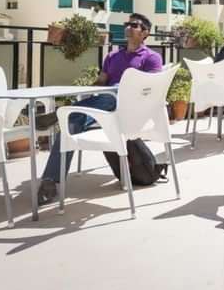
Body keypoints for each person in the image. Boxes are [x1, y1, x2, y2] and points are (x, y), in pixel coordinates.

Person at [36, 13, 163, 204]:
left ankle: (61, 113)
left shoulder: (152, 58)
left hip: (131, 110)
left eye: (134, 25)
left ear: (145, 32)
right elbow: (100, 82)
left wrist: (122, 89)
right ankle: (50, 181)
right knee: (70, 125)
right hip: (105, 109)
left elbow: (152, 89)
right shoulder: (112, 56)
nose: (128, 27)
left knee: (117, 90)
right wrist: (88, 90)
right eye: (127, 24)